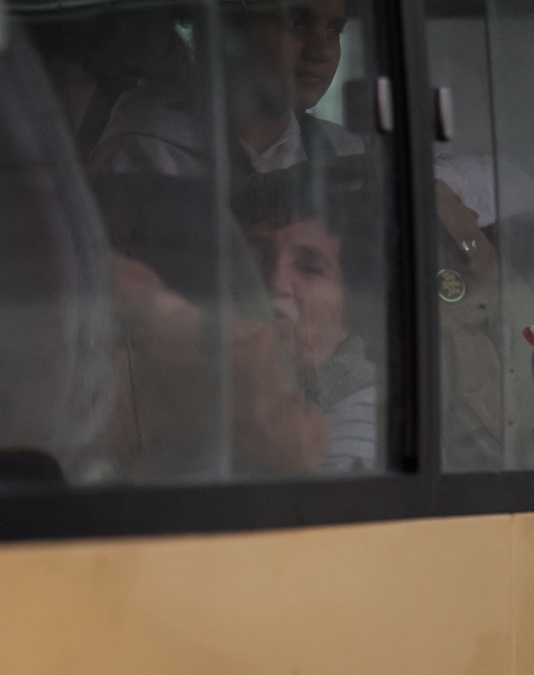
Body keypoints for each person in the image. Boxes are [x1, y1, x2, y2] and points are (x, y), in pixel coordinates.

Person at [89, 0, 363, 176]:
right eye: (295, 22)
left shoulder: (345, 153)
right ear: (227, 28)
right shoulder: (149, 154)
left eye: (334, 31)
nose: (321, 52)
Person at [240, 190, 379, 472]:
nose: (275, 282)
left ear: (351, 308)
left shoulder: (364, 425)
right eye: (255, 258)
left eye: (310, 267)